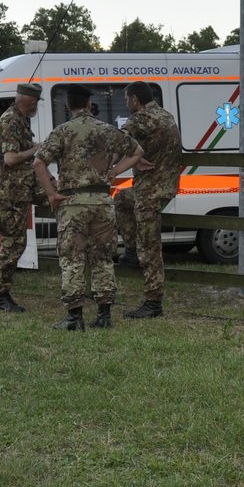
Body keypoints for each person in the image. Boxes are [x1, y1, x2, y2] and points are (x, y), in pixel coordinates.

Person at [33, 85, 142, 330]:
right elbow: (137, 151)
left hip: (73, 204)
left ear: (68, 105)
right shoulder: (107, 130)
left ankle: (74, 318)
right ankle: (104, 316)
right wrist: (113, 171)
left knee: (72, 259)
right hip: (103, 202)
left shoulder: (62, 131)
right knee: (103, 258)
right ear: (89, 103)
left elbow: (39, 162)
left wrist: (51, 193)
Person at [114, 81, 181, 318]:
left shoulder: (142, 118)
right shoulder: (165, 115)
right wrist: (137, 156)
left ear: (134, 99)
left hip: (150, 190)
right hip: (163, 186)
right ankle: (131, 250)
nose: (127, 104)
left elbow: (118, 139)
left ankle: (153, 302)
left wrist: (132, 158)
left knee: (150, 246)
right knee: (121, 199)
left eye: (126, 100)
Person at [0, 82, 45, 312]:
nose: (35, 107)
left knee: (16, 242)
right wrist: (37, 149)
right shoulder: (11, 121)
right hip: (13, 191)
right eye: (35, 103)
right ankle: (0, 294)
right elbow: (11, 159)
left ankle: (2, 292)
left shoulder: (20, 120)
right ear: (29, 102)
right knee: (13, 243)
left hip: (21, 189)